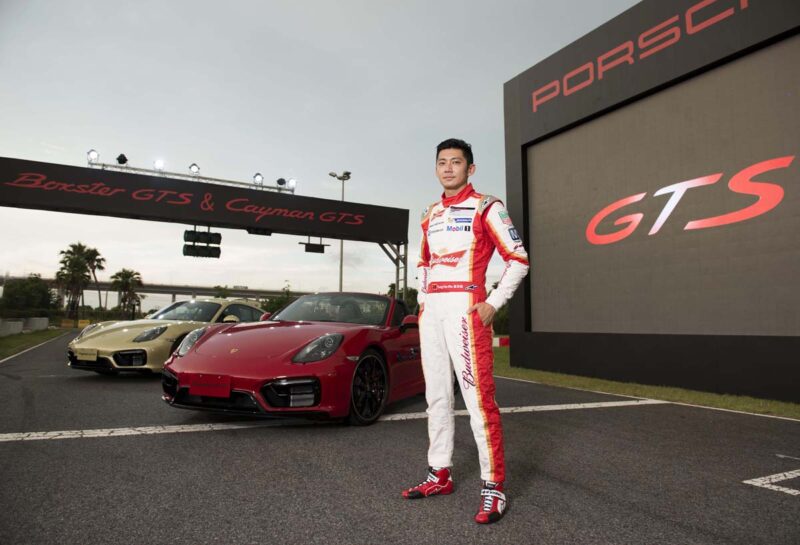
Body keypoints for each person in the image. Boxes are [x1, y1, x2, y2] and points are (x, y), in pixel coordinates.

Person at [401, 138, 529, 524]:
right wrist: (423, 300)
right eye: (442, 162)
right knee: (437, 398)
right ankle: (439, 474)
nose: (448, 168)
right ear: (436, 168)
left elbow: (518, 259)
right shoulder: (430, 213)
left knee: (478, 402)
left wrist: (494, 302)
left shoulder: (487, 206)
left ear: (469, 168)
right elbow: (423, 262)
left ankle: (493, 486)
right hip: (433, 314)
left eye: (456, 162)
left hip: (466, 310)